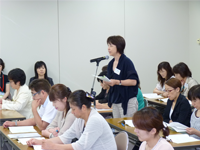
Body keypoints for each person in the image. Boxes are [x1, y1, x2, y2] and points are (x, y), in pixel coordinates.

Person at [27, 90, 117, 150]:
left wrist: (53, 146)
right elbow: (65, 137)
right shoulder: (81, 118)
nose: (72, 112)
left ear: (84, 107)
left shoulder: (95, 120)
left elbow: (81, 146)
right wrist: (42, 142)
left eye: (73, 109)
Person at [105, 35, 139, 118]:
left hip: (127, 100)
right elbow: (111, 80)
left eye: (111, 46)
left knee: (127, 126)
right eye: (108, 45)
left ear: (119, 47)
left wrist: (117, 82)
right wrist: (106, 82)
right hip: (115, 99)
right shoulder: (110, 63)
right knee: (117, 126)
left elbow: (134, 81)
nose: (108, 48)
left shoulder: (127, 62)